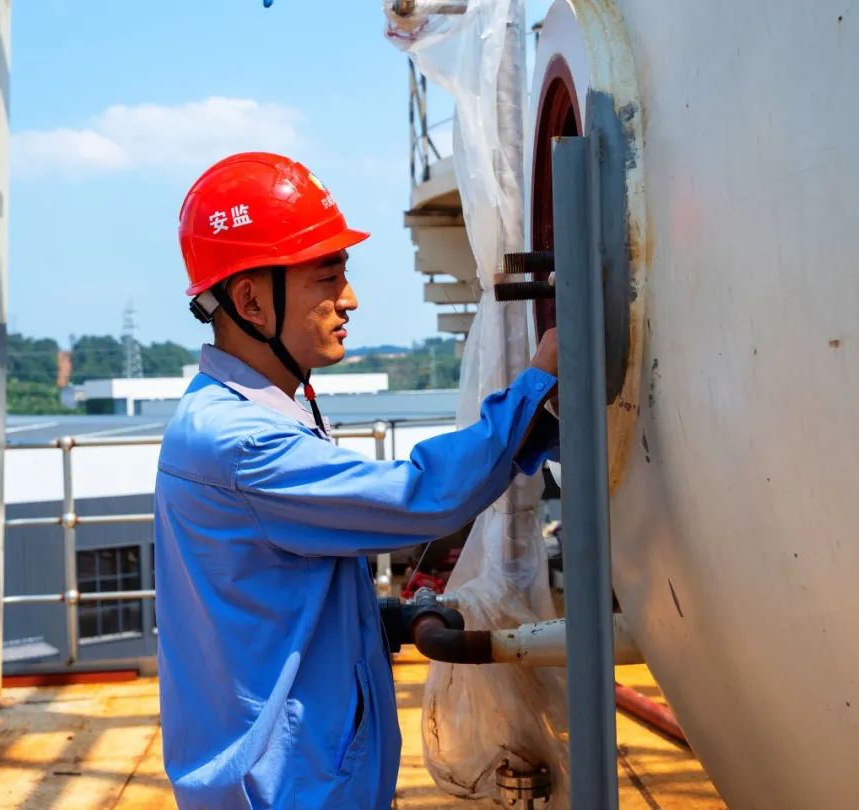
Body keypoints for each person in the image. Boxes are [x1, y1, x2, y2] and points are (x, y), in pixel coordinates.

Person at [154, 152, 559, 809]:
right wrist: (536, 388)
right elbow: (420, 498)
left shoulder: (238, 416)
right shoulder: (240, 442)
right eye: (328, 277)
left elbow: (279, 603)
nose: (350, 299)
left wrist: (382, 618)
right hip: (288, 791)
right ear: (251, 300)